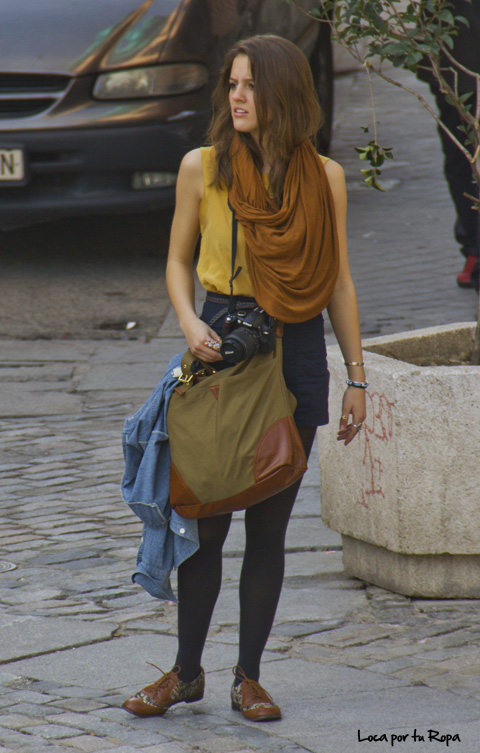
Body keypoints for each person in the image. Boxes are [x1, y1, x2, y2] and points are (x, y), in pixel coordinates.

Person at [122, 34, 367, 722]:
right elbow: (177, 260)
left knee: (269, 526)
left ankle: (249, 678)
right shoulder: (202, 168)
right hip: (220, 345)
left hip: (294, 351)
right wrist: (186, 322)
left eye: (250, 85)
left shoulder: (325, 177)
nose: (236, 96)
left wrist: (357, 377)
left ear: (282, 93)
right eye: (231, 83)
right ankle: (186, 672)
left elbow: (338, 282)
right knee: (204, 522)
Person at [418, 0, 480, 290]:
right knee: (461, 161)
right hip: (456, 69)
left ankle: (474, 247)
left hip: (455, 65)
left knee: (462, 162)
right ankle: (474, 248)